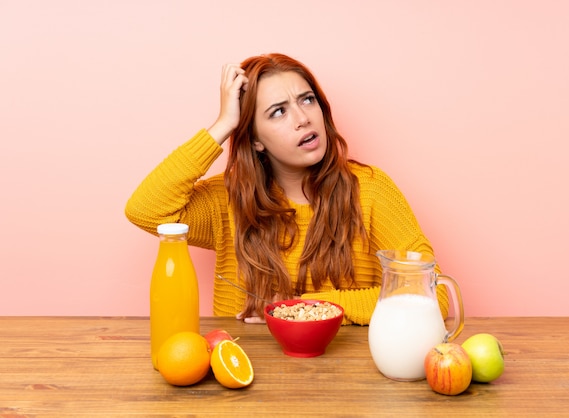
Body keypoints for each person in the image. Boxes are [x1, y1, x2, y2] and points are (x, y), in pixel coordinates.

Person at [125, 53, 448, 325]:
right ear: (254, 139)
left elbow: (435, 294)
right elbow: (144, 210)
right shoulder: (227, 201)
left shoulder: (371, 190)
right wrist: (223, 124)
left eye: (307, 100)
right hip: (243, 377)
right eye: (278, 111)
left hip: (347, 378)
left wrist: (308, 309)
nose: (303, 118)